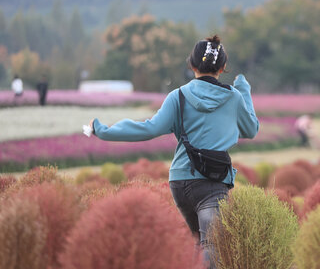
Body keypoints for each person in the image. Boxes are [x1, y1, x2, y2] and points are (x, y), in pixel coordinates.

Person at [88, 35, 259, 269]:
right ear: (223, 68)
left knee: (195, 244)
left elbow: (149, 128)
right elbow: (250, 129)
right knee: (211, 247)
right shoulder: (234, 97)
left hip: (180, 181)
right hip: (212, 183)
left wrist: (104, 131)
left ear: (192, 65)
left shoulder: (177, 96)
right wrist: (244, 90)